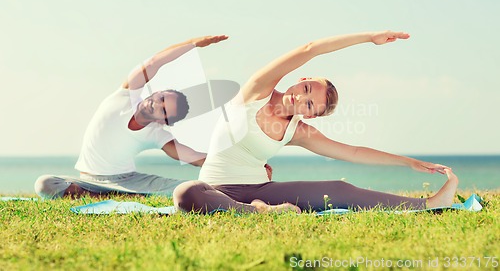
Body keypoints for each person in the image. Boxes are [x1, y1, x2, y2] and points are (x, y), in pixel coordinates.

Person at [173, 31, 459, 214]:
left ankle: (430, 204)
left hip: (261, 189)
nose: (301, 98)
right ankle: (259, 212)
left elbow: (354, 152)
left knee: (339, 189)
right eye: (306, 88)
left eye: (310, 105)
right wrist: (369, 37)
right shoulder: (256, 92)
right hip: (214, 189)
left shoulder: (299, 131)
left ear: (310, 115)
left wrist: (407, 162)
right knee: (186, 192)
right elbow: (310, 48)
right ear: (302, 79)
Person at [34, 35, 229, 199]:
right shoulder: (126, 95)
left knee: (189, 187)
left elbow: (194, 157)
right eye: (161, 98)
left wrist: (237, 164)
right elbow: (155, 62)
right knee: (45, 184)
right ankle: (116, 194)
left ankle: (119, 194)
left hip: (129, 180)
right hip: (87, 179)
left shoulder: (156, 133)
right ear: (156, 92)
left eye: (163, 109)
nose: (156, 103)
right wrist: (194, 43)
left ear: (163, 121)